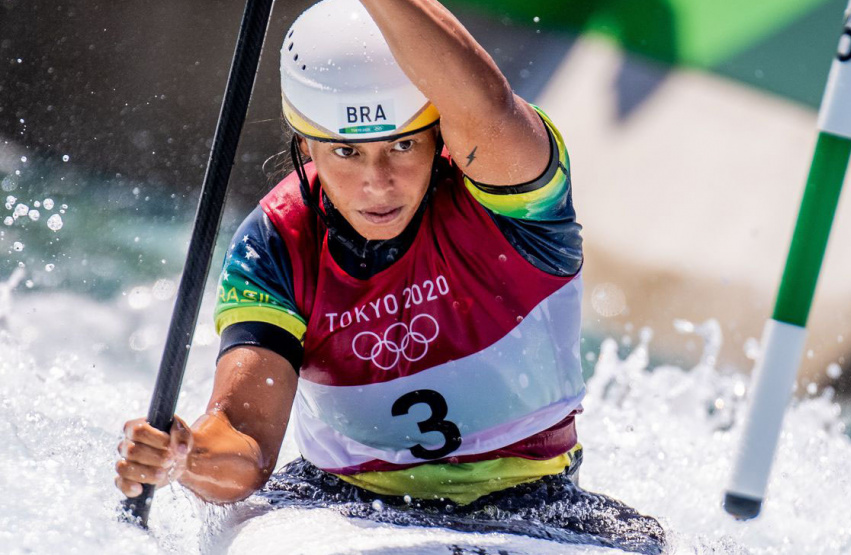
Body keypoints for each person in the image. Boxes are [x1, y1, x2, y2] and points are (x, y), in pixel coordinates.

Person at [116, 0, 664, 551]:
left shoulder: (509, 199)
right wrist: (185, 456)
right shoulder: (276, 244)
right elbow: (246, 445)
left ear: (438, 133)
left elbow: (488, 105)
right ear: (306, 146)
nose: (378, 184)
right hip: (337, 503)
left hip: (535, 503)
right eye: (347, 152)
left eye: (402, 145)